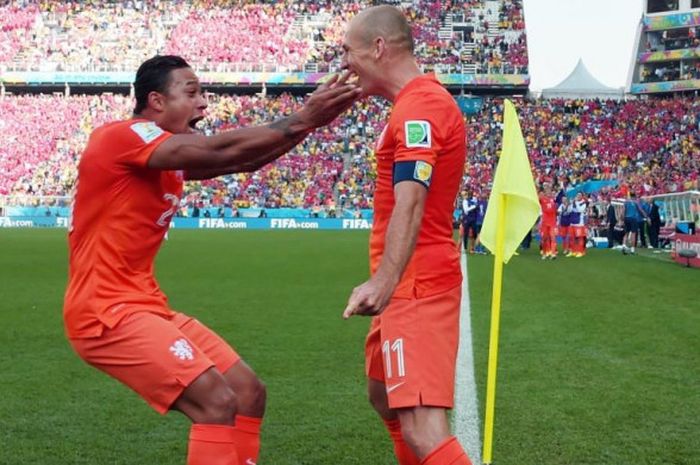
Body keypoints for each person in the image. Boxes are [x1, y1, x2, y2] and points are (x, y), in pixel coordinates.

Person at [63, 55, 360, 465]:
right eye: (192, 92)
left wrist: (308, 124)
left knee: (247, 392)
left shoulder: (167, 162)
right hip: (105, 313)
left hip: (145, 306)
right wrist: (302, 116)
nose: (204, 103)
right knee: (216, 402)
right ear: (156, 101)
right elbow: (221, 149)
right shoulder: (122, 137)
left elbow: (241, 160)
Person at [340, 6, 471, 465]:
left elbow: (411, 197)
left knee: (422, 428)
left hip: (416, 283)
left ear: (378, 48)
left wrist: (385, 280)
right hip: (403, 284)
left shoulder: (423, 106)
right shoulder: (410, 105)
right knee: (383, 396)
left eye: (347, 52)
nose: (344, 63)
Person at [538, 183, 558, 259]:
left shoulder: (553, 200)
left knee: (553, 238)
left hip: (552, 222)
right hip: (545, 222)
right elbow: (537, 199)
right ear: (545, 193)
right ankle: (544, 252)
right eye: (547, 191)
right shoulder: (542, 199)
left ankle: (553, 253)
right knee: (544, 238)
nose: (549, 193)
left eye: (550, 191)